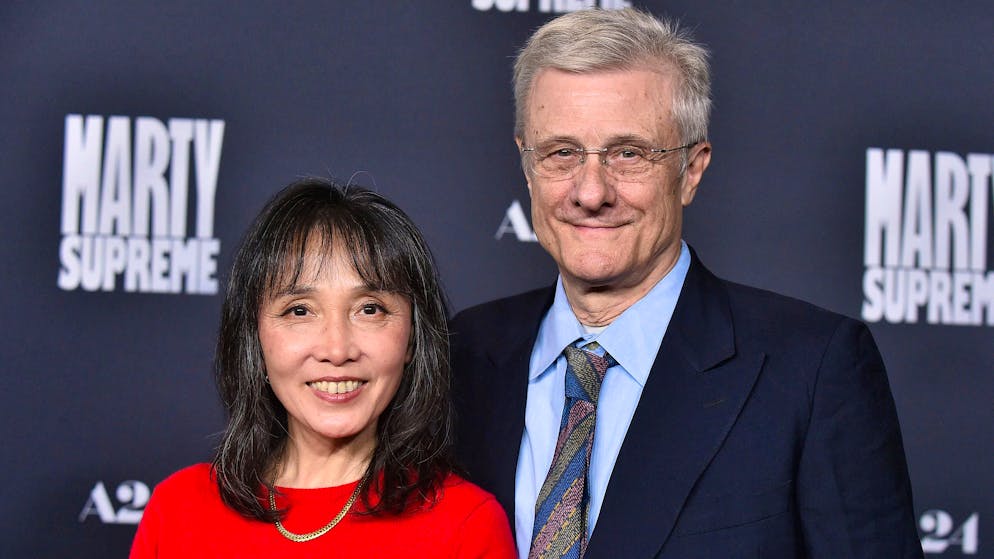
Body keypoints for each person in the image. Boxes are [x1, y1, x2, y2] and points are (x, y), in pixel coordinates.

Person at [451, 8, 922, 559]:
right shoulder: (465, 352)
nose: (590, 191)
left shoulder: (813, 370)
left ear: (692, 170)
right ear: (526, 165)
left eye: (629, 153)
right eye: (562, 153)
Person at [131, 178, 516, 558]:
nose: (337, 349)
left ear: (412, 338)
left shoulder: (467, 526)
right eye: (300, 310)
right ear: (255, 337)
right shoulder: (178, 512)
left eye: (369, 309)